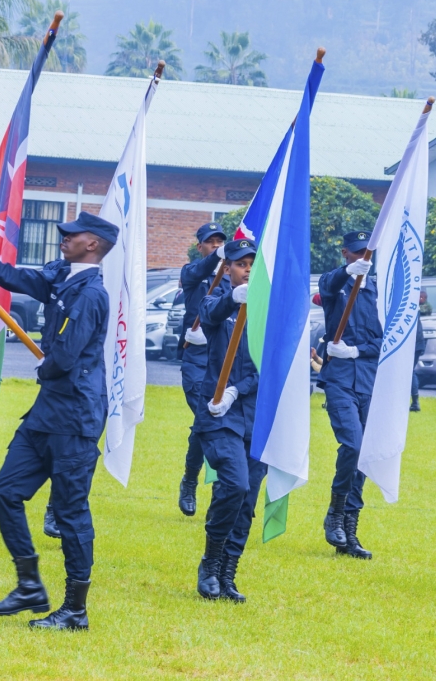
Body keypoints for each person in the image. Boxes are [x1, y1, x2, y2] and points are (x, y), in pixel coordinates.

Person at [0, 211, 116, 632]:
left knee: (70, 513)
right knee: (6, 490)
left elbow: (64, 358)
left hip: (75, 420)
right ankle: (29, 583)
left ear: (93, 244)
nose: (63, 238)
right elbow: (9, 276)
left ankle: (75, 610)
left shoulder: (89, 294)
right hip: (47, 414)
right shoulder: (63, 278)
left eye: (72, 235)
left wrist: (46, 367)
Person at [193, 238, 263, 603]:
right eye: (240, 263)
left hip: (256, 413)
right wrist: (231, 299)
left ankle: (227, 572)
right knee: (234, 484)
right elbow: (209, 316)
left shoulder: (266, 308)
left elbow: (267, 366)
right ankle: (210, 563)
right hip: (219, 413)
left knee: (247, 498)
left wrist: (239, 388)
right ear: (229, 268)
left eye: (252, 262)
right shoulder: (215, 299)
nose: (247, 268)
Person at [317, 231, 381, 560]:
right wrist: (347, 273)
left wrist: (356, 350)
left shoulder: (380, 292)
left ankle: (350, 530)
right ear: (345, 252)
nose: (363, 259)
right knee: (353, 445)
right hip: (339, 380)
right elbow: (325, 285)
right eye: (356, 254)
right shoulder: (339, 283)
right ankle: (335, 511)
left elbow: (386, 340)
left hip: (368, 380)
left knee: (365, 455)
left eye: (367, 254)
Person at [176, 222, 230, 516]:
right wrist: (217, 257)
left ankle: (224, 489)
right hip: (196, 360)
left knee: (215, 425)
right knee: (204, 415)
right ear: (201, 247)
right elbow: (198, 272)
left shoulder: (231, 279)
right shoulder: (192, 274)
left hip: (224, 358)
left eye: (220, 241)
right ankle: (189, 480)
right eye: (211, 242)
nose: (215, 245)